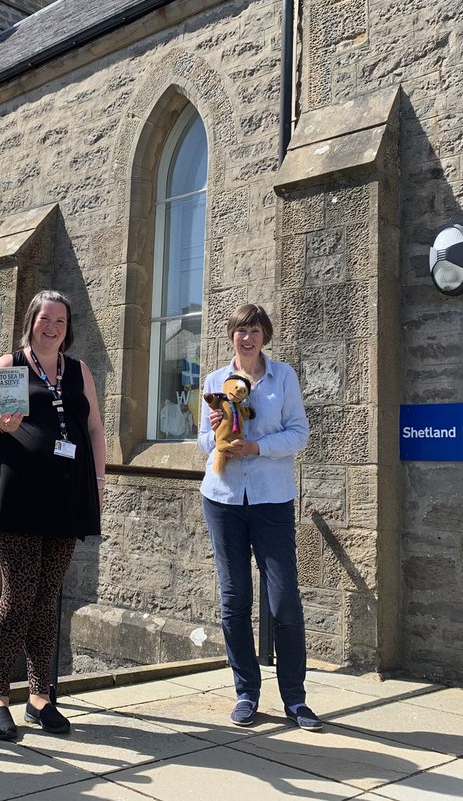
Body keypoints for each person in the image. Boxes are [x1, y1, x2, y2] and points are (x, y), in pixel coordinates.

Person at [0, 290, 104, 740]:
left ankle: (40, 697)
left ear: (68, 327)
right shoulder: (9, 365)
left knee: (48, 597)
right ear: (31, 320)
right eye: (45, 318)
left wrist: (97, 484)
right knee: (18, 595)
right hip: (21, 493)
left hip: (67, 495)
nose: (53, 327)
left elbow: (93, 428)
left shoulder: (79, 369)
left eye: (61, 321)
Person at [197, 303, 322, 731]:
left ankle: (296, 699)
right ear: (231, 336)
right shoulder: (215, 381)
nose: (246, 338)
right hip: (223, 499)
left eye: (253, 331)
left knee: (283, 598)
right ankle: (246, 693)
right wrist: (217, 432)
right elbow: (200, 442)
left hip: (271, 499)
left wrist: (257, 447)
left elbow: (299, 433)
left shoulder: (283, 377)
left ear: (264, 336)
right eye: (239, 331)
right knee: (235, 600)